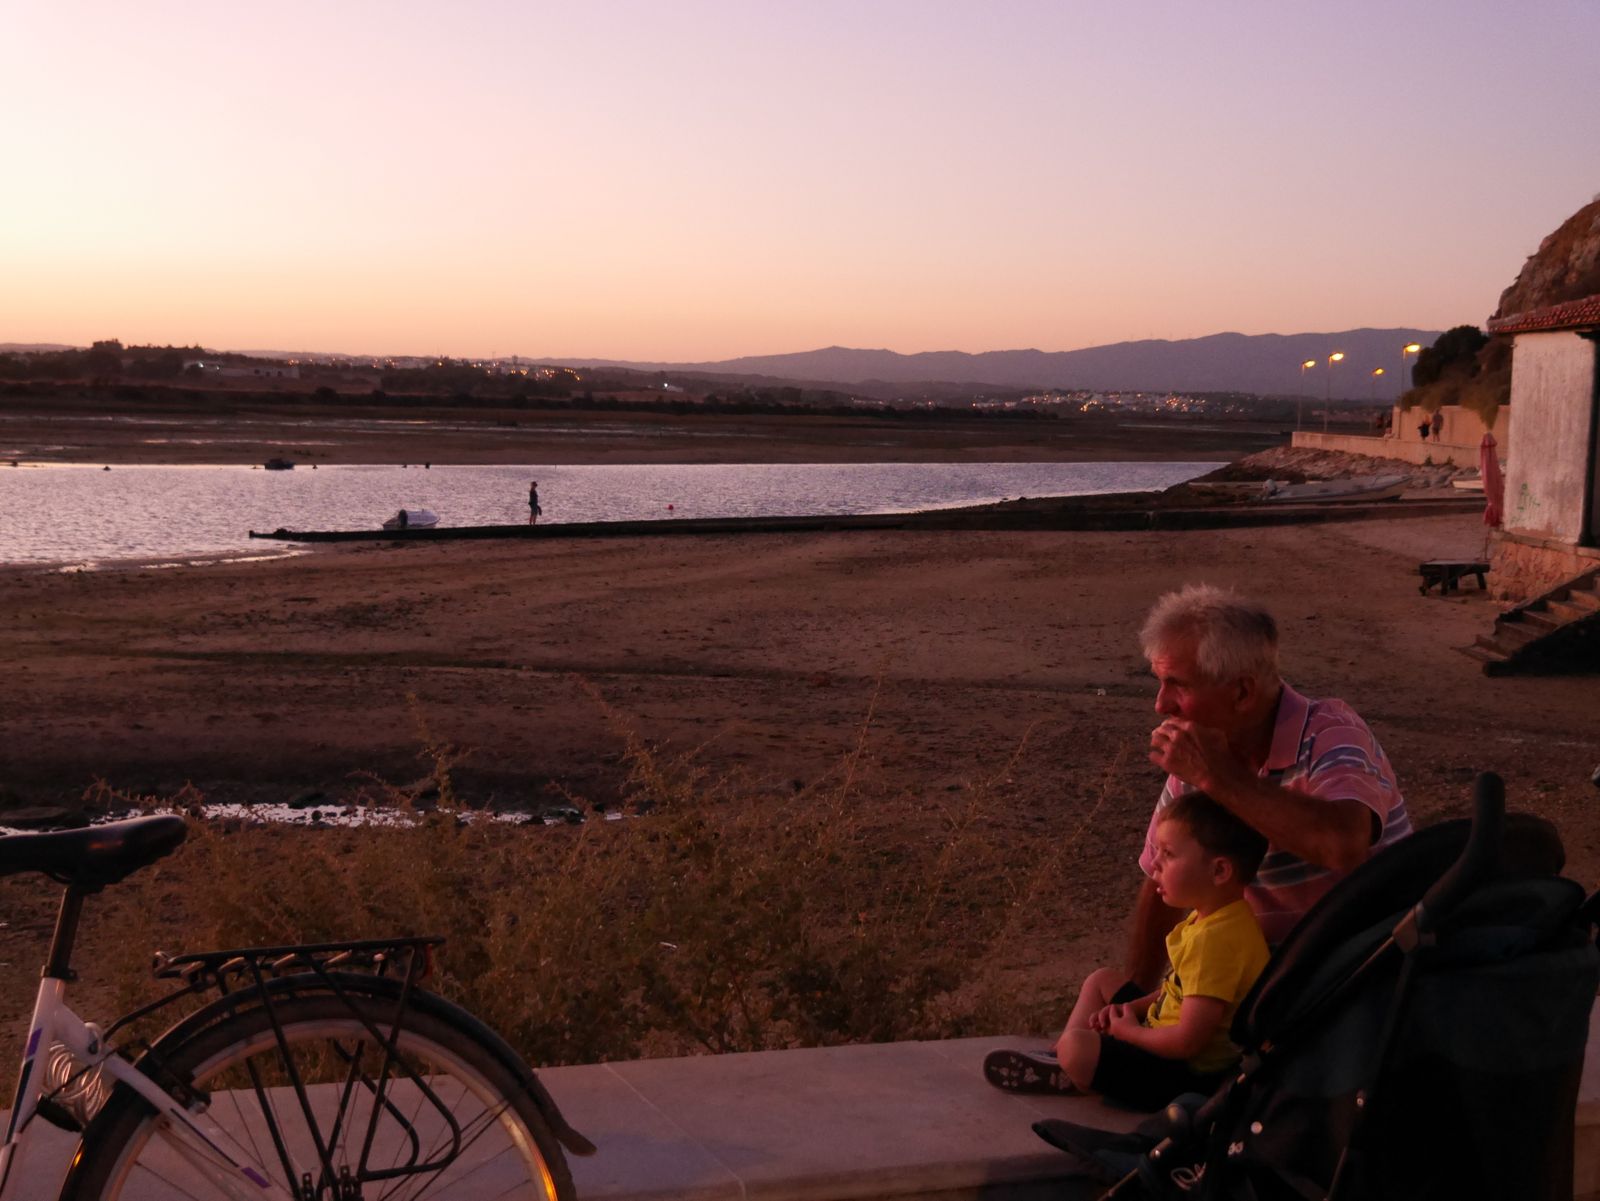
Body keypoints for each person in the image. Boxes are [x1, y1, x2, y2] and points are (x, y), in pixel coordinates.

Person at [983, 793, 1269, 1109]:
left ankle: (1069, 1065)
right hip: (1161, 1039)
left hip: (1180, 1075)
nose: (1155, 863)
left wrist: (1130, 1033)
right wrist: (1133, 1008)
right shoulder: (1219, 919)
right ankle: (1059, 1060)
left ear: (1219, 872)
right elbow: (1177, 992)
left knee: (1077, 1047)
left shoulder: (1216, 943)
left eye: (1169, 854)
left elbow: (1189, 1040)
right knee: (1101, 980)